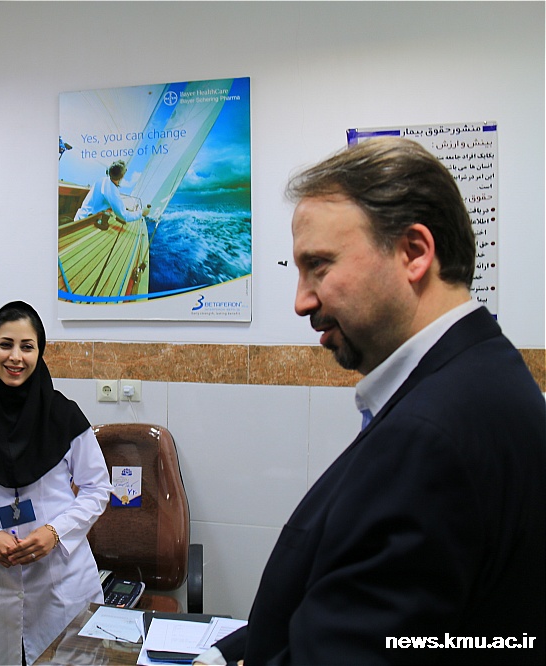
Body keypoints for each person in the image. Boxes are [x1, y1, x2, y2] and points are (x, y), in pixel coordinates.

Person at [201, 137, 545, 666]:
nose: (301, 301)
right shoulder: (480, 376)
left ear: (414, 252)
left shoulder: (431, 436)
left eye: (319, 265)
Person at [0, 301, 113, 665]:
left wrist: (55, 532)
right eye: (6, 344)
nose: (16, 357)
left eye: (27, 346)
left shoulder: (63, 415)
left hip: (62, 582)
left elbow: (97, 488)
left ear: (39, 352)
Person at [74, 159, 151, 222]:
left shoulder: (102, 180)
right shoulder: (112, 190)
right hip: (85, 222)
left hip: (80, 216)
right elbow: (124, 216)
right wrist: (142, 212)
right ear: (122, 176)